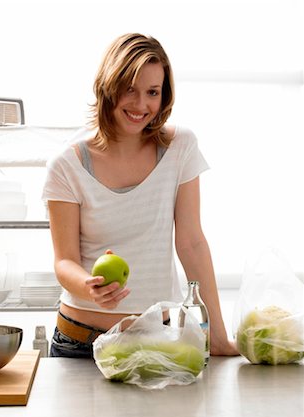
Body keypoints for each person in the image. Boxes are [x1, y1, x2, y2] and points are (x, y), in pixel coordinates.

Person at [42, 32, 238, 358]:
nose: (141, 105)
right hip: (81, 344)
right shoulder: (66, 165)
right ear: (109, 86)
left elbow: (191, 242)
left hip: (159, 340)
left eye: (152, 92)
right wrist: (89, 288)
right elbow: (65, 261)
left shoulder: (180, 148)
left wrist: (216, 335)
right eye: (129, 89)